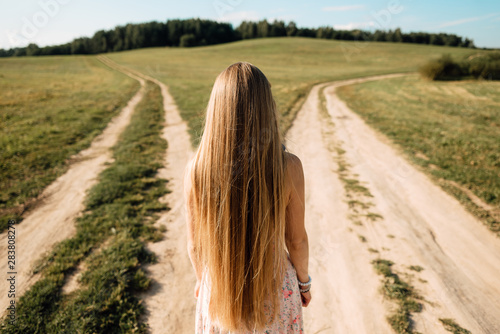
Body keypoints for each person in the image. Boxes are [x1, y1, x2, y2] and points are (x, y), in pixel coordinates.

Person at [184, 62, 311, 333]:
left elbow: (195, 246)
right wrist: (304, 283)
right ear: (267, 109)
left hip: (218, 295)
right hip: (278, 297)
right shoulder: (288, 167)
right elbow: (296, 240)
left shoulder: (197, 170)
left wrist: (201, 279)